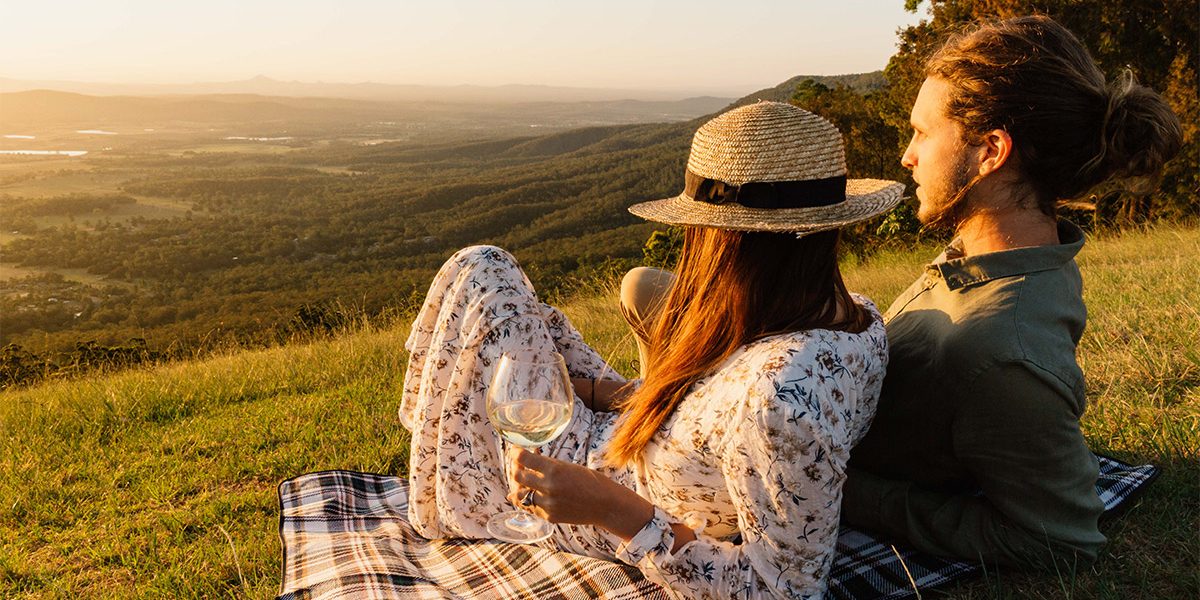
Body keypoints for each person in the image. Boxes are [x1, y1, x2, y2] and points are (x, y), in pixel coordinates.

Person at [399, 101, 903, 598]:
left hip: (585, 492)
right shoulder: (853, 315)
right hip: (624, 431)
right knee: (500, 290)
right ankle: (448, 434)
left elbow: (781, 591)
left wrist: (608, 507)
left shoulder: (780, 401)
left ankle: (444, 465)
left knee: (482, 272)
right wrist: (605, 393)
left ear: (724, 239)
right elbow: (714, 413)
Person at [837, 15, 1183, 571]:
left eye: (923, 133)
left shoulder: (1001, 353)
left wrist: (846, 493)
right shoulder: (995, 256)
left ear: (991, 151)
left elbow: (1064, 539)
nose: (907, 154)